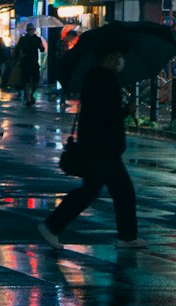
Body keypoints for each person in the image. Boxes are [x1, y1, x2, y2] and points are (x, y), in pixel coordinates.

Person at [37, 30, 138, 248]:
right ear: (109, 57)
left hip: (102, 145)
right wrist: (125, 111)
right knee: (97, 191)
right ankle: (52, 226)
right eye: (119, 55)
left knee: (116, 191)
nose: (121, 60)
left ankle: (127, 236)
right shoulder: (102, 80)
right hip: (102, 146)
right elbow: (105, 114)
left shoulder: (98, 78)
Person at [13, 23, 45, 106]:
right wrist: (20, 55)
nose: (30, 31)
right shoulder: (23, 39)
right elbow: (18, 49)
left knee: (36, 82)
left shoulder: (37, 39)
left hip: (34, 62)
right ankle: (28, 98)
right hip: (25, 62)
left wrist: (41, 46)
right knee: (26, 81)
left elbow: (42, 49)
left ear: (34, 30)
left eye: (31, 29)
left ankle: (30, 95)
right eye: (29, 29)